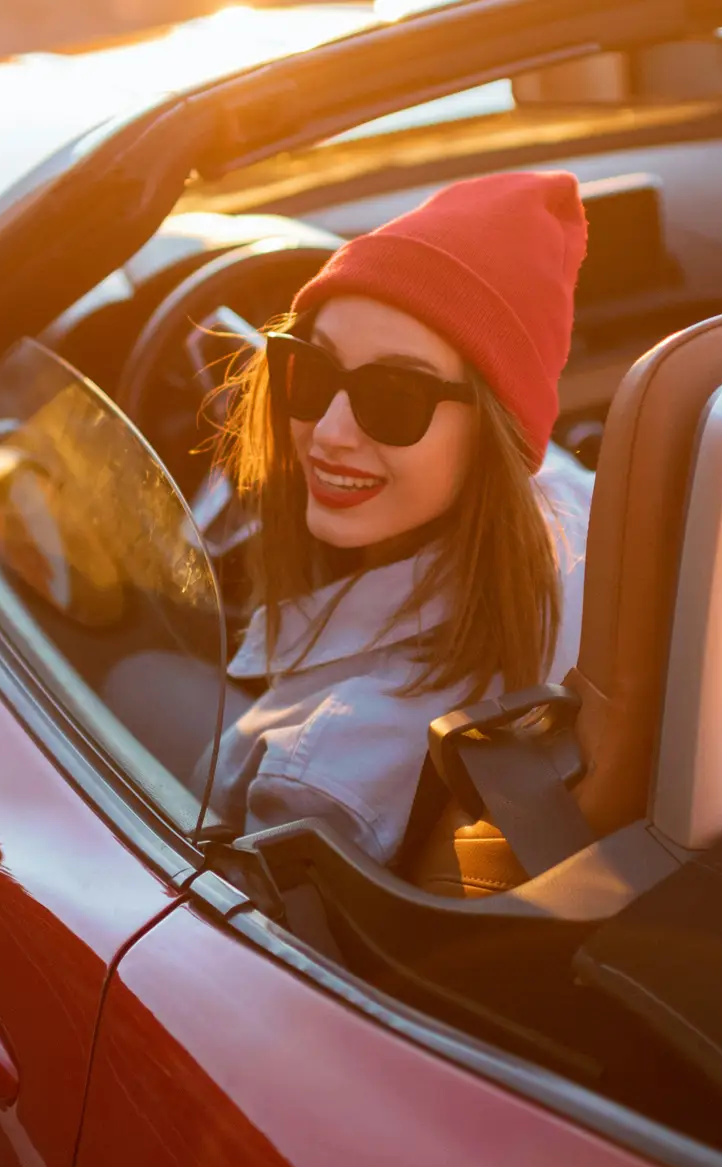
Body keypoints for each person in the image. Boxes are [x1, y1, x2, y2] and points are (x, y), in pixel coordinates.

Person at [203, 170, 594, 866]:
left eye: (394, 395)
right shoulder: (580, 506)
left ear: (494, 437)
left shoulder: (320, 774)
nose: (327, 433)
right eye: (310, 371)